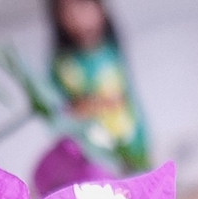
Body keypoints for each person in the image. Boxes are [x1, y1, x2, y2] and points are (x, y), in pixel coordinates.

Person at [48, 0, 150, 170]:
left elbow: (128, 99)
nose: (76, 15)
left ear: (100, 8)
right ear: (57, 17)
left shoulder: (112, 51)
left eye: (82, 5)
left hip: (132, 146)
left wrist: (142, 138)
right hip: (94, 157)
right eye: (67, 10)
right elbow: (60, 111)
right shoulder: (63, 66)